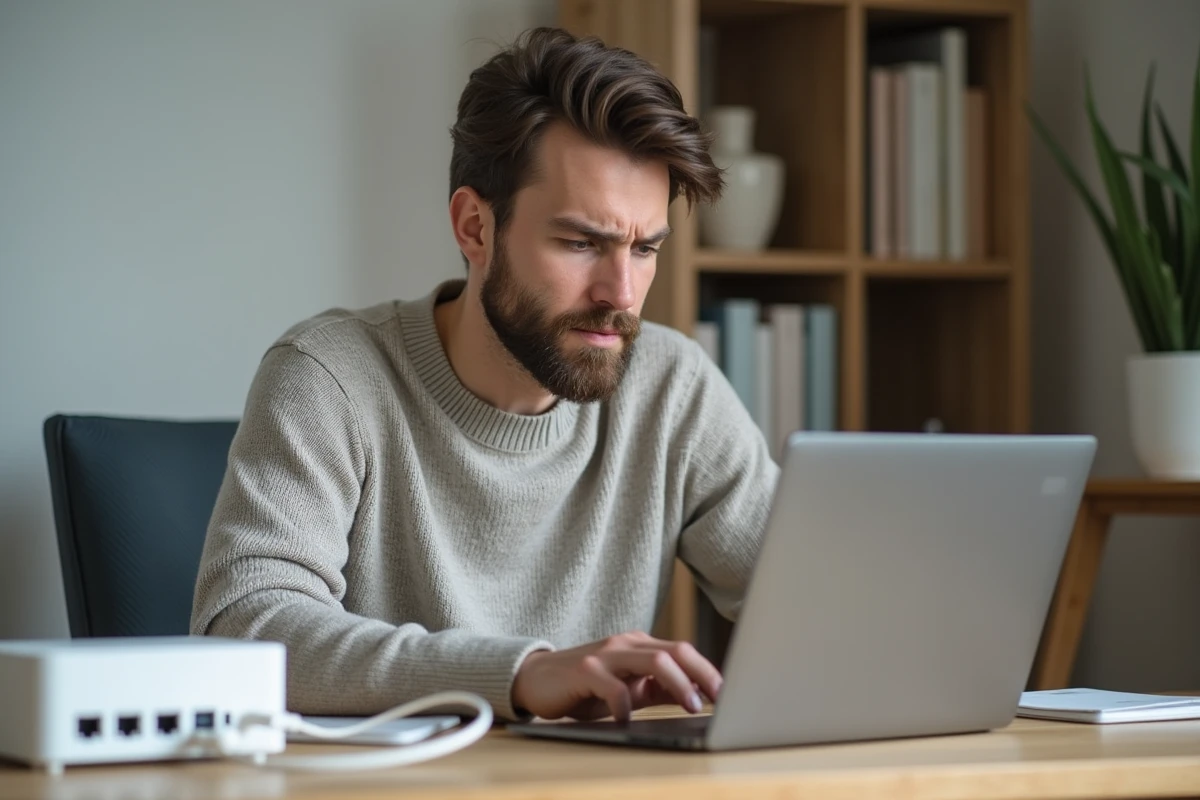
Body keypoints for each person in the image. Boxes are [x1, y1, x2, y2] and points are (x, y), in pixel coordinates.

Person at [190, 26, 778, 724]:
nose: (622, 293)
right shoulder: (330, 377)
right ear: (474, 227)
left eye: (645, 248)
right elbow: (246, 627)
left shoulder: (672, 388)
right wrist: (519, 674)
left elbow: (820, 600)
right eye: (581, 243)